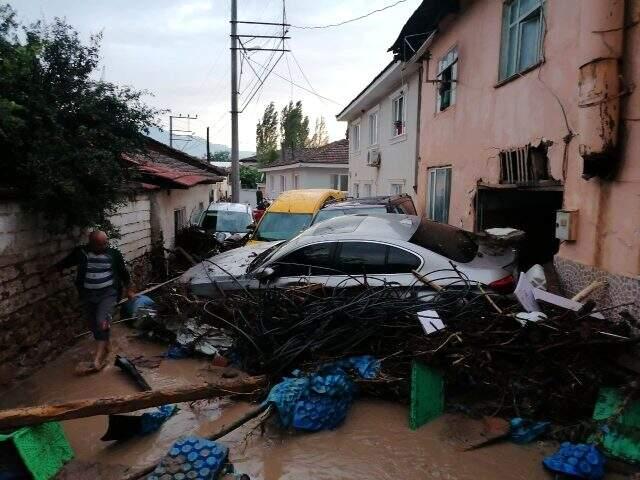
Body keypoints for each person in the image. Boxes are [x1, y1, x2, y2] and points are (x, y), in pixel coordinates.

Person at [51, 230, 135, 373]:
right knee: (93, 323)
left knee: (101, 320)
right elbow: (66, 262)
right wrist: (50, 270)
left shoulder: (113, 254)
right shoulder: (82, 252)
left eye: (106, 242)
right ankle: (107, 345)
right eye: (101, 244)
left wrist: (130, 290)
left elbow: (123, 272)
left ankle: (98, 358)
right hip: (88, 295)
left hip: (109, 293)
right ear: (92, 244)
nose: (105, 245)